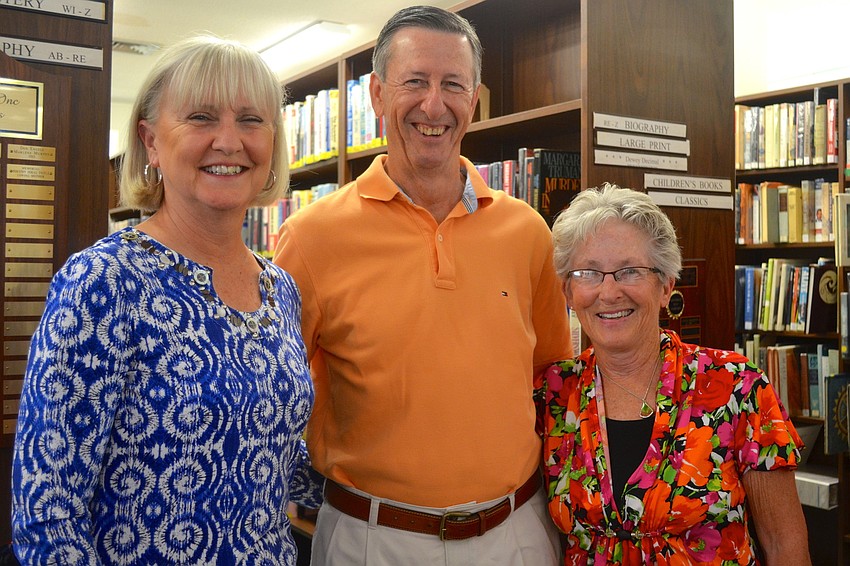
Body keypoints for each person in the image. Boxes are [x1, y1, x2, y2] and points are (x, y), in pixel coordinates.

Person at [273, 5, 571, 565]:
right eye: (415, 82)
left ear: (474, 101)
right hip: (373, 539)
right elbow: (280, 397)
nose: (434, 105)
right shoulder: (310, 239)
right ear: (378, 96)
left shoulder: (528, 231)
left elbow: (550, 379)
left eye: (452, 85)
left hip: (518, 535)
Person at [11, 35, 322, 564]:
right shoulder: (104, 281)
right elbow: (48, 512)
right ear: (151, 141)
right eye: (201, 117)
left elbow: (273, 454)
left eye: (251, 120)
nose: (229, 141)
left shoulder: (279, 288)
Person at [541, 183, 811, 565]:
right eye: (588, 273)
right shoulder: (553, 394)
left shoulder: (736, 387)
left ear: (666, 285)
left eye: (629, 271)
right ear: (568, 293)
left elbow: (785, 545)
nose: (608, 291)